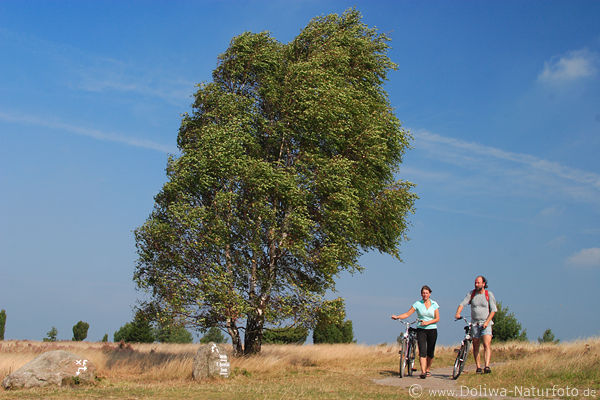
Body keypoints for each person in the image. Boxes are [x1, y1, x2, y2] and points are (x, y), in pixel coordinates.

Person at [391, 285, 440, 379]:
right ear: (421, 294)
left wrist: (428, 322)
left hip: (432, 329)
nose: (425, 295)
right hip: (421, 329)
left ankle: (428, 369)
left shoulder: (434, 304)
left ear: (429, 294)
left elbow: (437, 318)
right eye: (423, 293)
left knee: (430, 352)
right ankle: (423, 371)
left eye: (426, 293)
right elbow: (407, 314)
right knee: (422, 351)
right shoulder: (417, 304)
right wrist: (397, 317)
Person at [454, 275, 497, 374]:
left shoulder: (488, 294)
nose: (476, 284)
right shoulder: (471, 294)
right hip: (475, 323)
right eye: (475, 283)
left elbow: (493, 310)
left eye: (478, 282)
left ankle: (486, 366)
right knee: (476, 345)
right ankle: (478, 367)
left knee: (487, 344)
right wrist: (458, 313)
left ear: (483, 284)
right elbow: (462, 304)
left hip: (486, 323)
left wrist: (487, 322)